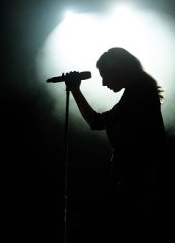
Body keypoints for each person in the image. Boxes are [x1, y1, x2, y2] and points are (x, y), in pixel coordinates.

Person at [64, 47, 167, 242]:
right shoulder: (135, 94)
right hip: (135, 183)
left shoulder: (139, 94)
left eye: (105, 76)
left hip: (138, 184)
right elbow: (96, 122)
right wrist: (76, 90)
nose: (103, 83)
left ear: (119, 70)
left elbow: (99, 123)